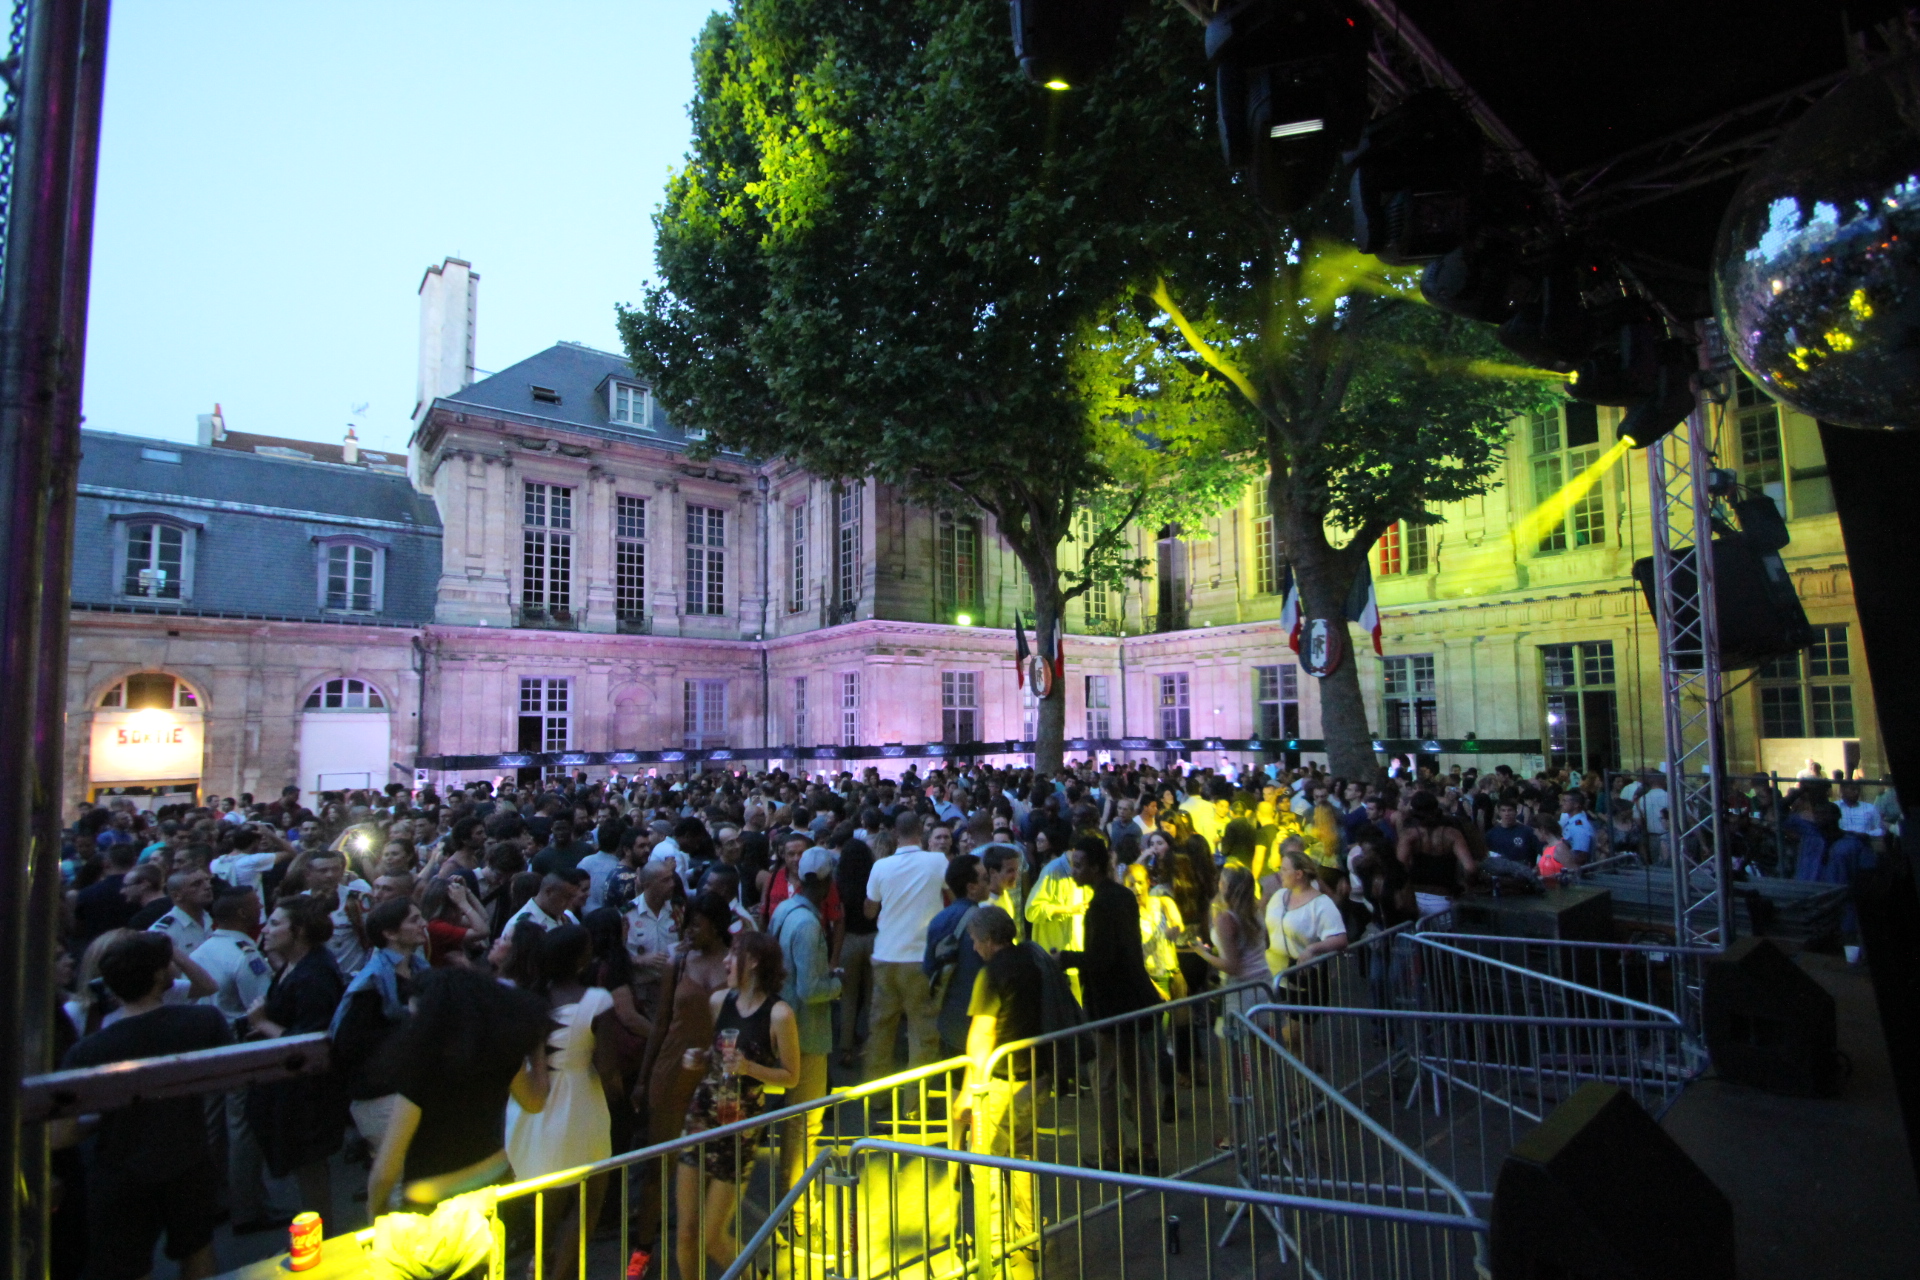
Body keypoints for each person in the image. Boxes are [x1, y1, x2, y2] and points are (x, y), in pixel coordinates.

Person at [63, 932, 233, 1280]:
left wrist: (104, 1119)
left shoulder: (87, 1051)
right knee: (197, 1251)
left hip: (118, 1173)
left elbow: (60, 1134)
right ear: (159, 975)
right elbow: (228, 1081)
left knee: (127, 1265)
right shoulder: (202, 1023)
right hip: (188, 1159)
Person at [365, 968, 553, 1214]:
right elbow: (535, 1102)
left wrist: (374, 1210)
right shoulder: (500, 1055)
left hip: (434, 1199)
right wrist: (536, 1049)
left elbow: (387, 1168)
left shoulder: (421, 1070)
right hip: (494, 1181)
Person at [674, 931, 801, 1280]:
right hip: (702, 1115)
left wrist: (751, 1068)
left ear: (754, 961)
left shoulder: (779, 1014)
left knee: (712, 1237)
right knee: (685, 1232)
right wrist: (696, 1058)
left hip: (739, 1124)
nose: (726, 962)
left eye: (734, 955)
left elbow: (791, 1076)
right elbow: (714, 1055)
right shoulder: (719, 1002)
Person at [507, 924, 617, 1280]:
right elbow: (607, 1066)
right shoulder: (597, 1002)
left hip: (532, 1107)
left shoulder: (528, 998)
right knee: (587, 1202)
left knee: (546, 1203)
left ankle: (538, 1265)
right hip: (580, 1104)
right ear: (582, 959)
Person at [630, 893, 734, 1259]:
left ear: (718, 925)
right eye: (687, 922)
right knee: (661, 1161)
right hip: (673, 1065)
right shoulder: (678, 961)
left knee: (712, 1162)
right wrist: (643, 1077)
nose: (690, 930)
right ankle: (641, 1250)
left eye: (697, 923)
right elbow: (660, 1022)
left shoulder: (736, 963)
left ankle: (700, 1243)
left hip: (719, 1069)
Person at [1057, 835, 1164, 1173]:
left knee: (1104, 1081)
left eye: (1079, 865)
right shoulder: (1123, 898)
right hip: (1134, 996)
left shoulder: (1102, 904)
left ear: (1095, 866)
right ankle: (1147, 1149)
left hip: (1108, 1003)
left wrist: (1066, 958)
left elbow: (1101, 958)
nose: (1074, 872)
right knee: (1138, 1078)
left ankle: (1113, 1152)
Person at [245, 893, 350, 1220]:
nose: (266, 929)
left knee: (310, 1168)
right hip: (288, 1086)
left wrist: (263, 1024)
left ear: (300, 931)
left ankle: (321, 1245)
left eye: (276, 923)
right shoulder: (293, 964)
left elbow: (310, 1043)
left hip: (307, 1093)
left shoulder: (314, 975)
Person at [189, 890, 284, 1234]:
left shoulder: (203, 948)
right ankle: (249, 1207)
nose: (263, 909)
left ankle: (216, 1197)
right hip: (237, 1042)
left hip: (207, 1043)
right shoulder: (245, 955)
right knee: (243, 1124)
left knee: (213, 1123)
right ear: (244, 913)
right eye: (258, 907)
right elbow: (260, 1002)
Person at [955, 906, 1042, 1280]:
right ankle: (1029, 1232)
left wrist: (967, 1090)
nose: (974, 948)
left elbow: (982, 1034)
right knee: (1023, 1154)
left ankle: (992, 1249)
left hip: (1000, 1081)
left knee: (985, 1164)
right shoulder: (1033, 958)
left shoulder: (991, 974)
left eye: (976, 941)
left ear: (990, 940)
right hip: (1036, 1076)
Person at [769, 846, 842, 1200]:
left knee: (795, 1120)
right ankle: (797, 1203)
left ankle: (792, 1193)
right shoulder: (808, 925)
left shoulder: (784, 910)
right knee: (805, 1123)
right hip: (806, 1030)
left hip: (787, 1024)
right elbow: (811, 988)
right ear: (827, 883)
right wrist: (837, 983)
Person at [330, 898, 428, 1153]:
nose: (424, 925)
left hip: (409, 1089)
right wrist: (413, 1023)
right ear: (390, 933)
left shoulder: (420, 972)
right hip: (380, 1096)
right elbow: (350, 1043)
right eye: (414, 920)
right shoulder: (371, 983)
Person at [863, 810, 948, 1085]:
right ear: (921, 831)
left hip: (885, 955)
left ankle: (875, 1097)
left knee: (881, 1029)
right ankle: (915, 1103)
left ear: (895, 834)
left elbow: (869, 910)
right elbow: (952, 892)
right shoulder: (937, 861)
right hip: (920, 958)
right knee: (922, 1031)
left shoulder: (880, 867)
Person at [1183, 866, 1270, 1023]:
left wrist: (1203, 953)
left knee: (1230, 1041)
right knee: (1266, 1042)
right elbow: (1266, 942)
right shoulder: (1255, 910)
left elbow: (1233, 967)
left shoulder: (1226, 919)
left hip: (1241, 989)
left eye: (1221, 881)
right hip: (1264, 982)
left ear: (1226, 886)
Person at [1264, 850, 1349, 1005]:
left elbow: (1340, 939)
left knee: (1291, 1029)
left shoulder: (1321, 904)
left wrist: (1312, 949)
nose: (1280, 873)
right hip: (1272, 976)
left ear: (1299, 874)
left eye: (1284, 870)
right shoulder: (1279, 896)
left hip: (1301, 979)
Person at [927, 854, 990, 1055]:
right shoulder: (985, 922)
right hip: (983, 1021)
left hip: (950, 1019)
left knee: (954, 1081)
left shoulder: (939, 920)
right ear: (971, 887)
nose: (989, 883)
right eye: (985, 879)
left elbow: (929, 968)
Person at [1397, 792, 1476, 919]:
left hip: (1414, 897)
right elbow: (1470, 868)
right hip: (1443, 899)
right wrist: (1466, 884)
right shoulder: (1452, 834)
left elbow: (1400, 868)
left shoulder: (1408, 835)